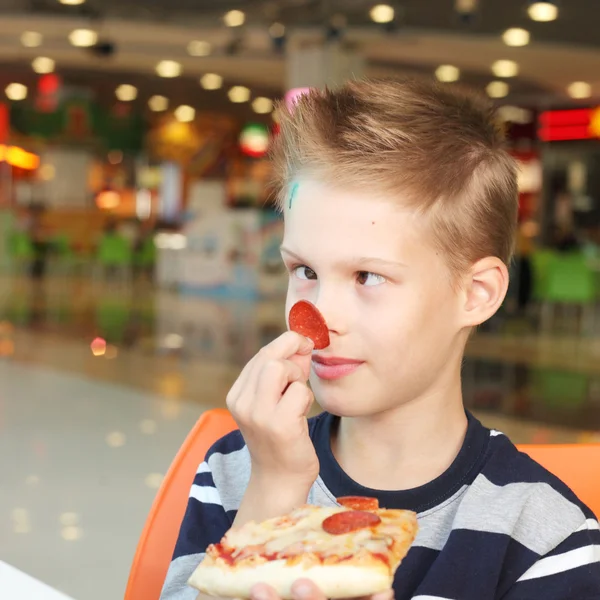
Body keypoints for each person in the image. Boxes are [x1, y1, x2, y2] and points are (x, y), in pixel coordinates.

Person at [160, 80, 600, 600]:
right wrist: (272, 494)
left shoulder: (546, 537)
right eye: (303, 270)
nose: (317, 318)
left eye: (368, 277)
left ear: (476, 294)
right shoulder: (237, 471)